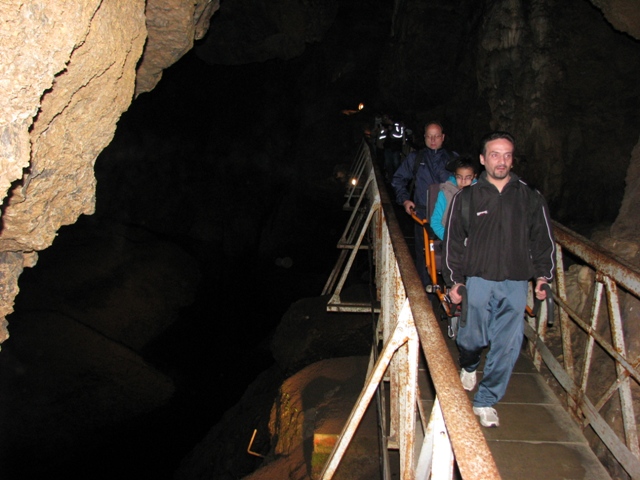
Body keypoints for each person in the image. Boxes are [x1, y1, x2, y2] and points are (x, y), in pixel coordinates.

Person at [443, 131, 555, 428]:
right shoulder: (467, 198)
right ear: (483, 159)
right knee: (472, 337)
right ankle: (469, 362)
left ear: (512, 159)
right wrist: (455, 281)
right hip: (478, 278)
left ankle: (487, 399)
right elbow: (453, 242)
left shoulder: (530, 197)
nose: (501, 161)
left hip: (516, 281)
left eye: (507, 155)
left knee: (508, 343)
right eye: (495, 154)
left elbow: (543, 240)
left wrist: (543, 277)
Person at [391, 122, 455, 286]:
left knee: (451, 249)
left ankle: (452, 286)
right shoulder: (415, 158)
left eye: (436, 136)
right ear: (424, 137)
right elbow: (398, 179)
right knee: (423, 251)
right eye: (429, 136)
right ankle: (425, 288)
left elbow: (466, 182)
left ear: (443, 137)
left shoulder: (453, 159)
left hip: (449, 214)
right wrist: (405, 199)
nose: (433, 140)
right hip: (423, 212)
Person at [430, 155, 479, 241]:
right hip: (450, 239)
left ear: (474, 176)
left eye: (468, 177)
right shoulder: (445, 193)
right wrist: (448, 238)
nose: (463, 182)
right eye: (459, 177)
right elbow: (435, 221)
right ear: (455, 175)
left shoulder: (480, 193)